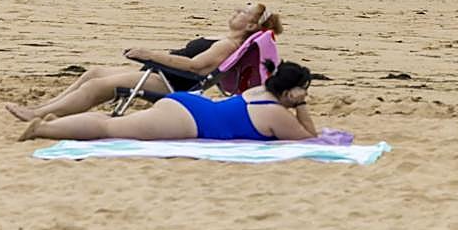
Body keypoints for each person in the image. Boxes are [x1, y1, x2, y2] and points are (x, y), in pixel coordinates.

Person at [6, 2, 282, 122]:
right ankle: (45, 109)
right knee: (94, 72)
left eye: (242, 12)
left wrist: (149, 54)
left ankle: (40, 116)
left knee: (97, 86)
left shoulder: (227, 45)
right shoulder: (226, 39)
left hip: (171, 83)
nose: (235, 12)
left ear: (251, 25)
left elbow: (195, 66)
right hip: (165, 74)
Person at [19, 60, 317, 142]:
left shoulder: (259, 92)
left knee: (115, 123)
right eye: (303, 89)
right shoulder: (276, 114)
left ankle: (56, 123)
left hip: (189, 107)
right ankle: (43, 130)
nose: (306, 94)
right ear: (291, 90)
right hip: (188, 120)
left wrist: (294, 99)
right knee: (110, 129)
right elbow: (309, 139)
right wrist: (301, 106)